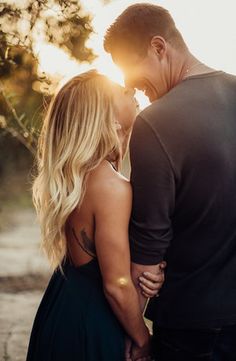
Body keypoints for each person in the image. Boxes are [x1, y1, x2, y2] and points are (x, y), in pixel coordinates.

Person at [104, 3, 236, 361]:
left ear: (159, 47)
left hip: (192, 328)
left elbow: (147, 254)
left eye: (131, 73)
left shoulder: (154, 123)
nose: (130, 86)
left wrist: (135, 335)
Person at [26, 70, 165, 361]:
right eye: (119, 90)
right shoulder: (112, 188)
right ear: (106, 116)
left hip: (61, 308)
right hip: (92, 323)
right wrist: (142, 339)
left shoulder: (78, 179)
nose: (130, 90)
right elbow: (116, 285)